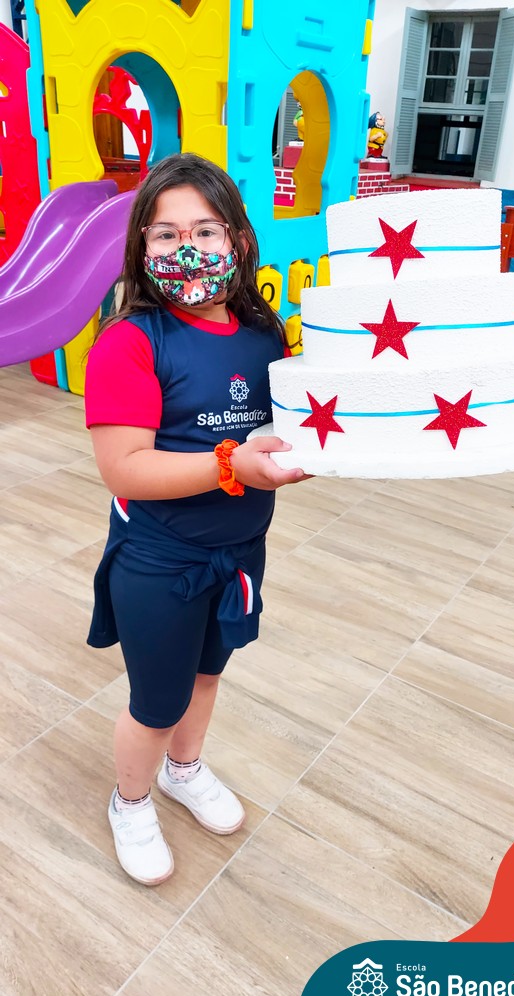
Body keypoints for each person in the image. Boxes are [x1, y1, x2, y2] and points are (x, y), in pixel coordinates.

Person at [85, 152, 306, 886]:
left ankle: (184, 770)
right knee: (157, 701)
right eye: (166, 234)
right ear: (142, 247)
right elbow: (125, 468)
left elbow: (285, 428)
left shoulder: (263, 334)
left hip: (240, 551)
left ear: (238, 238)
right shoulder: (129, 341)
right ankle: (130, 801)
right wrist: (231, 464)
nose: (189, 249)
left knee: (208, 676)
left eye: (206, 231)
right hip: (160, 561)